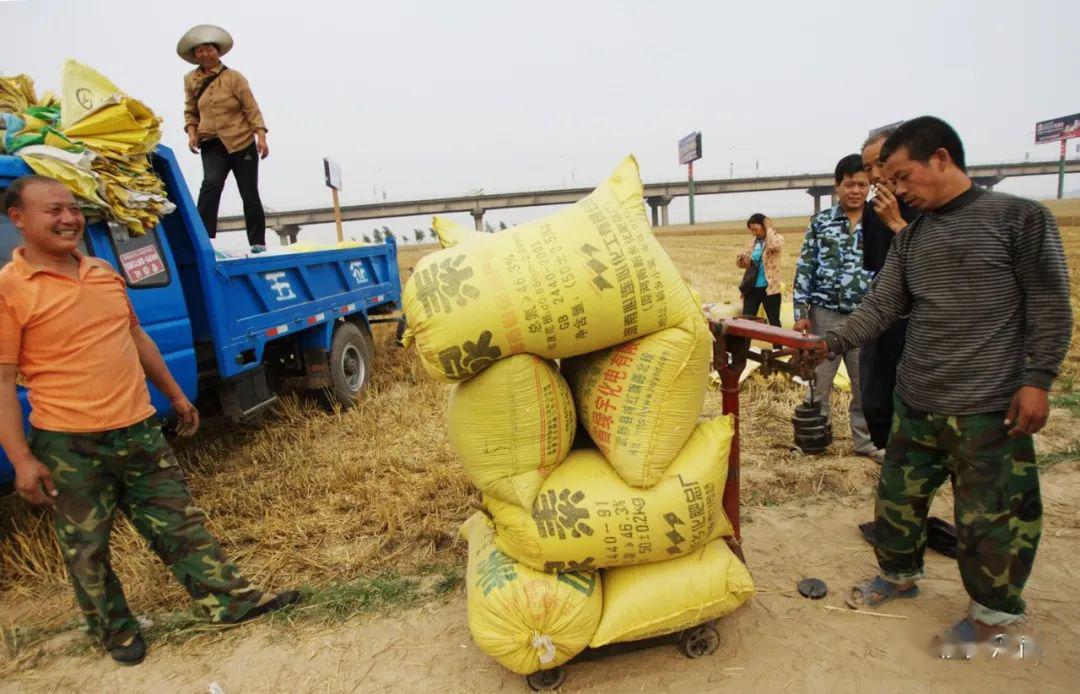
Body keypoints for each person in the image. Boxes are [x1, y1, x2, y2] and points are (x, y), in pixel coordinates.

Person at [0, 176, 299, 665]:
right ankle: (115, 633)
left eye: (73, 209)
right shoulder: (9, 290)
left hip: (138, 427)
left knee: (181, 524)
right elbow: (3, 380)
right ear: (18, 219)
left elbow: (138, 341)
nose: (69, 219)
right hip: (69, 443)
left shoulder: (103, 272)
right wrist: (21, 458)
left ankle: (231, 604)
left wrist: (178, 397)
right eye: (53, 210)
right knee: (87, 550)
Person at [811, 117, 1070, 647]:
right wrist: (826, 343)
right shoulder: (914, 239)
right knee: (897, 500)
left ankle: (992, 615)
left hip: (989, 405)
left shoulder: (1019, 219)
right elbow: (881, 306)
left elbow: (1050, 304)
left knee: (991, 517)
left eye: (903, 177)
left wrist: (1038, 379)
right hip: (919, 399)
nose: (897, 190)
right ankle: (899, 576)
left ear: (943, 160)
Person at [792, 154, 880, 461]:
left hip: (866, 317)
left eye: (862, 184)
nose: (855, 191)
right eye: (849, 185)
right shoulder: (821, 223)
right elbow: (805, 268)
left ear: (870, 186)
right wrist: (801, 314)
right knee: (819, 380)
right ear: (837, 187)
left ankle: (866, 442)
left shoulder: (880, 221)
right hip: (825, 314)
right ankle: (814, 439)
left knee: (864, 383)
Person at [178, 24, 269, 252]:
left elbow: (251, 108)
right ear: (194, 55)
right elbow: (190, 111)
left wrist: (261, 136)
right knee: (211, 184)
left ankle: (257, 242)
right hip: (211, 141)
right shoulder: (191, 80)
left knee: (249, 192)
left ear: (217, 51)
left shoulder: (234, 78)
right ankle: (202, 240)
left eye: (209, 49)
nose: (205, 54)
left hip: (241, 141)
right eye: (200, 50)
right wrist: (191, 133)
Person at [857, 127, 920, 451]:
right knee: (875, 396)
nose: (876, 175)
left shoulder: (927, 207)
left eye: (882, 163)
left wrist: (898, 225)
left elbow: (937, 265)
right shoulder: (872, 212)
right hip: (887, 319)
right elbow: (879, 270)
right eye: (868, 168)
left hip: (922, 323)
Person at [736, 212, 783, 327]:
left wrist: (769, 228)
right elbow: (743, 265)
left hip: (770, 288)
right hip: (752, 288)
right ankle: (745, 346)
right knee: (746, 322)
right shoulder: (752, 243)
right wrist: (742, 260)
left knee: (774, 321)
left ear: (764, 226)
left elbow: (775, 246)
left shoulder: (776, 238)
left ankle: (777, 346)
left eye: (756, 229)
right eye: (751, 230)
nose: (754, 233)